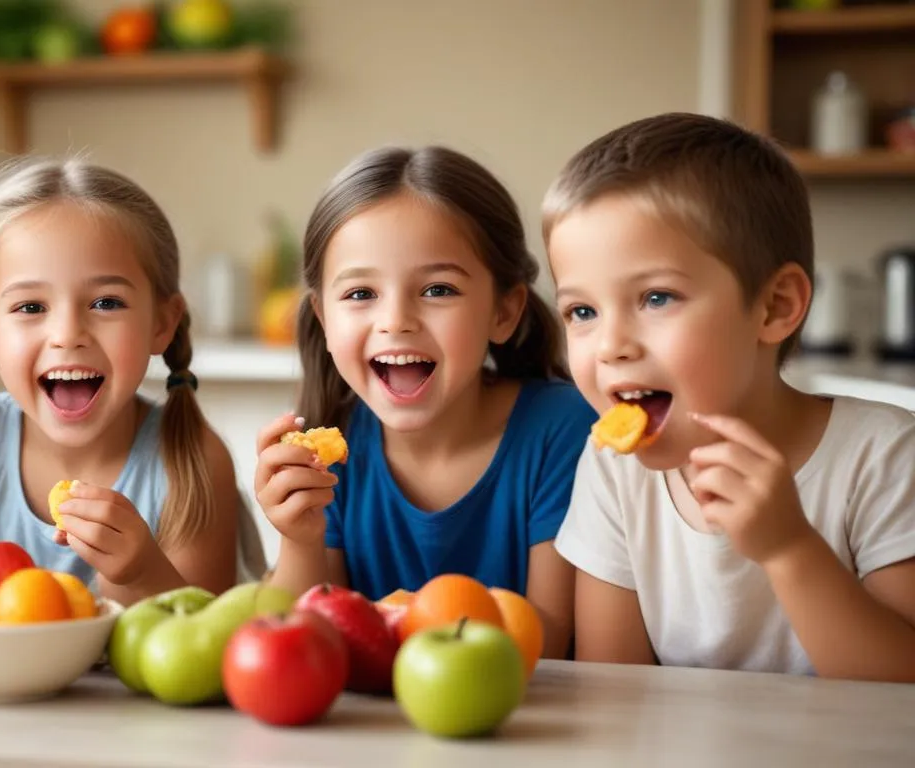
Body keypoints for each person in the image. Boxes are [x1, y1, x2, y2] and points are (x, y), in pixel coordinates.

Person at [545, 112, 915, 681]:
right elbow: (612, 692)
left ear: (774, 307)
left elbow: (903, 691)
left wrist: (790, 549)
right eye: (583, 311)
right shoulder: (615, 473)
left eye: (657, 298)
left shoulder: (884, 457)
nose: (610, 346)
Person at [255, 146, 594, 659]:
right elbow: (298, 638)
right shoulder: (330, 453)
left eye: (437, 289)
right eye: (360, 294)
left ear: (504, 311)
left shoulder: (563, 431)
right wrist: (299, 538)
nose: (396, 320)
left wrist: (409, 626)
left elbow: (547, 637)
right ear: (324, 319)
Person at [0, 157, 240, 607]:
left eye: (106, 302)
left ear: (162, 323)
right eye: (30, 307)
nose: (68, 334)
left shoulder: (194, 461)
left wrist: (140, 573)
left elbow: (206, 642)